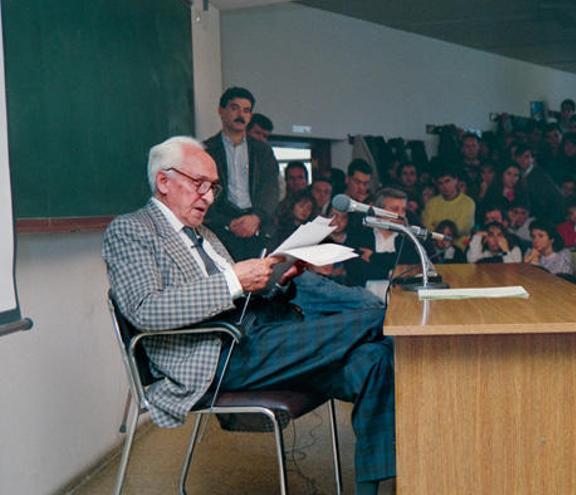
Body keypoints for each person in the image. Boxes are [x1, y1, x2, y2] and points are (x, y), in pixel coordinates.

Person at [102, 136, 395, 493]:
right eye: (199, 185)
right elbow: (146, 309)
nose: (209, 197)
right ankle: (395, 325)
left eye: (213, 187)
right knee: (381, 322)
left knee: (374, 359)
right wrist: (233, 280)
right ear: (164, 181)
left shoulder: (204, 234)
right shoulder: (131, 230)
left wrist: (278, 279)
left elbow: (243, 294)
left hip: (258, 335)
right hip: (217, 356)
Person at [203, 87, 280, 261]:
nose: (241, 114)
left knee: (260, 281)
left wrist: (257, 217)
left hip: (257, 226)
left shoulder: (262, 150)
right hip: (220, 229)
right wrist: (226, 222)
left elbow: (271, 189)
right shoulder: (207, 150)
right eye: (234, 108)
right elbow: (202, 192)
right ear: (221, 111)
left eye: (246, 110)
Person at [345, 188, 432, 286]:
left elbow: (411, 266)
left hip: (402, 296)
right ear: (378, 211)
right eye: (395, 209)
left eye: (403, 210)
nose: (400, 215)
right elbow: (356, 270)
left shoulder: (409, 239)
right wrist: (390, 273)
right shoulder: (360, 235)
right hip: (365, 296)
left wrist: (374, 257)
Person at [421, 166, 475, 246]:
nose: (445, 186)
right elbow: (427, 228)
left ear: (456, 180)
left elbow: (459, 229)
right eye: (440, 183)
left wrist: (438, 231)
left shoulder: (468, 203)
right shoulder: (431, 203)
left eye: (447, 181)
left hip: (460, 248)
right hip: (435, 247)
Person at [514, 143, 565, 224]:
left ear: (533, 159)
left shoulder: (539, 175)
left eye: (527, 157)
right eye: (520, 157)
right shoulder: (518, 174)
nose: (522, 160)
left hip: (546, 216)